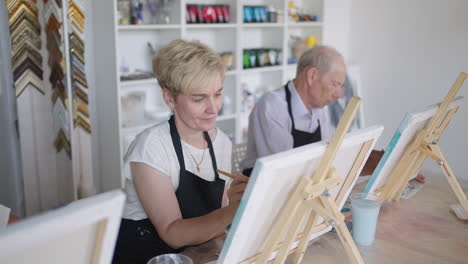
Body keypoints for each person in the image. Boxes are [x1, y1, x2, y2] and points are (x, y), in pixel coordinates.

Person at [113, 39, 248, 263]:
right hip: (147, 255)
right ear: (169, 99)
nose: (213, 108)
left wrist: (238, 202)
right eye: (199, 98)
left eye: (217, 94)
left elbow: (215, 226)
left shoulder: (221, 142)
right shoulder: (151, 148)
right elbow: (172, 233)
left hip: (195, 253)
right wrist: (232, 212)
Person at [241, 45, 346, 176]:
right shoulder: (272, 107)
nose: (338, 94)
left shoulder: (319, 109)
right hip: (265, 189)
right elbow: (282, 170)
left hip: (299, 186)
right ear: (312, 76)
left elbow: (329, 155)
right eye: (335, 84)